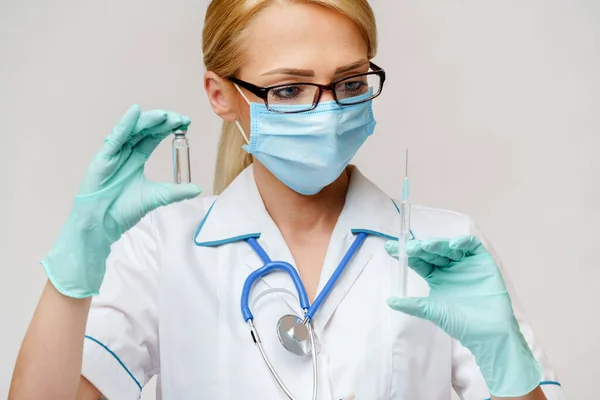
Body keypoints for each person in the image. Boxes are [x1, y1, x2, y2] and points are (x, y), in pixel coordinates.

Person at [9, 1, 566, 399]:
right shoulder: (163, 247)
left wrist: (507, 364)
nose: (327, 112)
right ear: (221, 95)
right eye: (289, 89)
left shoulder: (446, 252)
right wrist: (73, 270)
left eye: (349, 83)